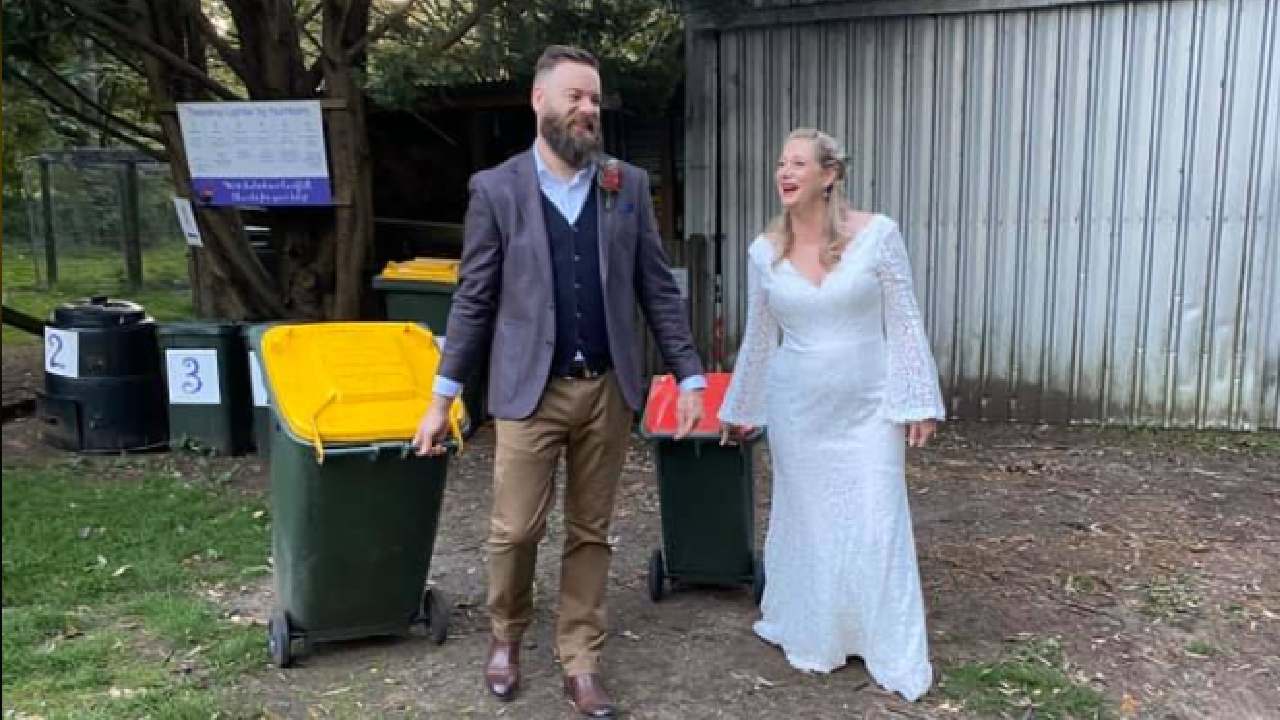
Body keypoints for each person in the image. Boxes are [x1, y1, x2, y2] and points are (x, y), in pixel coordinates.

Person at [412, 45, 706, 719]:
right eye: (575, 96)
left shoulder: (625, 186)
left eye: (595, 99)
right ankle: (506, 634)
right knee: (514, 531)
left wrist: (689, 376)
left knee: (591, 531)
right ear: (539, 102)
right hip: (528, 392)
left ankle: (580, 660)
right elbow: (474, 298)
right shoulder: (496, 190)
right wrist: (442, 398)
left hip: (607, 390)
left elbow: (658, 291)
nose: (588, 110)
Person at [718, 128, 944, 702]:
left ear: (830, 174)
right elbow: (759, 336)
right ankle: (819, 630)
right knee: (813, 520)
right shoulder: (763, 252)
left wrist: (917, 400)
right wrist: (740, 406)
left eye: (798, 163)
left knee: (876, 514)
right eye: (780, 164)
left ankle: (881, 637)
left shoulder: (879, 235)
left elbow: (906, 320)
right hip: (798, 410)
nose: (785, 173)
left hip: (869, 407)